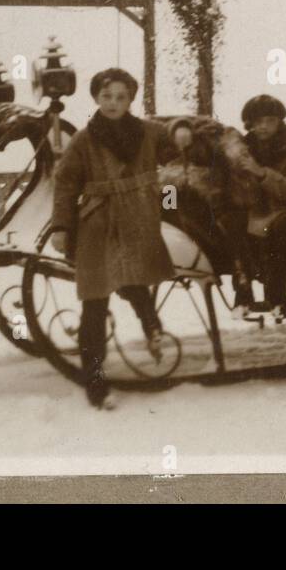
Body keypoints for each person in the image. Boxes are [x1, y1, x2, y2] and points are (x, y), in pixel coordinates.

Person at [48, 68, 190, 409]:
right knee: (95, 304)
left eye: (121, 97)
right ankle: (95, 384)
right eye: (107, 96)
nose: (113, 103)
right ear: (96, 98)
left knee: (136, 281)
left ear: (131, 100)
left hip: (139, 220)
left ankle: (152, 328)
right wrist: (60, 226)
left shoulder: (147, 132)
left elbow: (174, 141)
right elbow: (66, 183)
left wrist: (182, 134)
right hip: (98, 224)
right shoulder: (84, 139)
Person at [235, 94, 286, 321]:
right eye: (258, 121)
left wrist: (261, 173)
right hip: (250, 212)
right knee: (231, 225)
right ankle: (242, 295)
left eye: (270, 121)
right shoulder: (241, 149)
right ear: (250, 124)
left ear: (279, 122)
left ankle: (277, 295)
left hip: (280, 211)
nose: (264, 126)